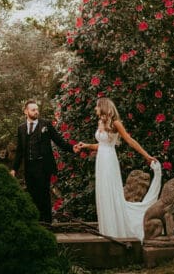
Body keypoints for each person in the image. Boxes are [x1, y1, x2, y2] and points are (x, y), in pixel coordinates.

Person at [74, 97, 161, 241]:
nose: (95, 109)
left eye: (97, 107)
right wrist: (87, 146)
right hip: (101, 161)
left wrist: (147, 156)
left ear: (103, 107)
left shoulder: (115, 123)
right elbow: (101, 145)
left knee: (110, 192)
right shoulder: (100, 122)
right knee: (103, 193)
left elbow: (130, 141)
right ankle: (107, 229)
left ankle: (116, 230)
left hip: (109, 161)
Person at [11, 100, 68, 224]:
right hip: (29, 167)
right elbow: (20, 150)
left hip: (43, 166)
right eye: (33, 110)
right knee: (32, 194)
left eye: (37, 109)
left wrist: (72, 149)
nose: (36, 112)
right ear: (26, 111)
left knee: (44, 195)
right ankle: (35, 223)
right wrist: (14, 168)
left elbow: (59, 141)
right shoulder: (21, 128)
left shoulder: (45, 124)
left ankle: (47, 224)